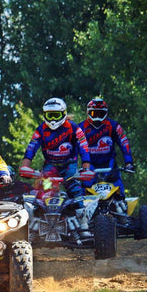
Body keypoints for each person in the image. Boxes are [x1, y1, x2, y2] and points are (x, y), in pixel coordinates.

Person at [19, 97, 91, 235]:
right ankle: (33, 227)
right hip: (50, 165)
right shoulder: (41, 129)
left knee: (75, 189)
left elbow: (84, 147)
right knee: (40, 192)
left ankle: (83, 225)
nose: (52, 119)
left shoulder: (74, 128)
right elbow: (31, 147)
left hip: (69, 164)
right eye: (49, 115)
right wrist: (25, 166)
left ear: (63, 114)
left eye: (55, 115)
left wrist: (86, 168)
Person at [78, 98, 134, 196]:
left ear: (105, 113)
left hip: (109, 165)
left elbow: (124, 142)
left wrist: (128, 162)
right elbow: (74, 146)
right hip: (89, 165)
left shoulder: (113, 126)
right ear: (88, 113)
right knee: (84, 191)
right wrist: (72, 164)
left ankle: (121, 206)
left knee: (118, 190)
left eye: (100, 114)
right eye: (94, 114)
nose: (97, 117)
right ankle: (82, 209)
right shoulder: (81, 128)